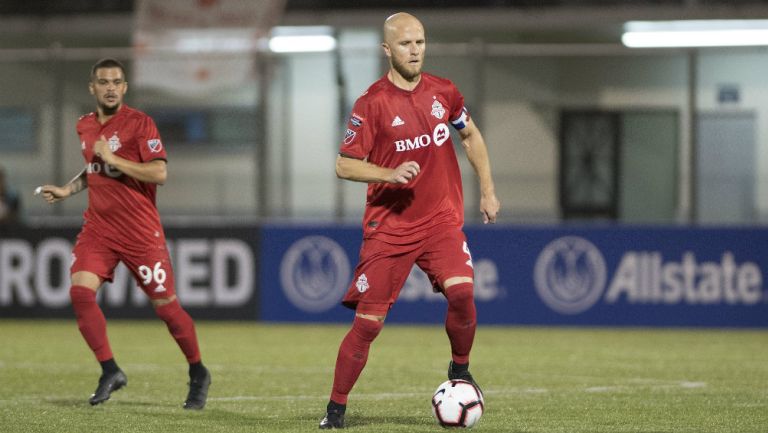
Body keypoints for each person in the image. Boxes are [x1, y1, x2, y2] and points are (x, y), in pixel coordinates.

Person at [319, 12, 501, 429]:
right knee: (368, 325)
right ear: (387, 49)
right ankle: (336, 409)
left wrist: (488, 190)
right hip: (391, 226)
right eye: (405, 44)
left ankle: (460, 369)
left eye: (420, 42)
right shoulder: (371, 103)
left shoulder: (444, 92)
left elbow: (469, 135)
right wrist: (388, 174)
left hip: (440, 221)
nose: (415, 50)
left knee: (462, 294)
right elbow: (345, 166)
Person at [36, 58, 211, 409]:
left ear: (125, 87)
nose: (110, 87)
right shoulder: (84, 125)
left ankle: (197, 371)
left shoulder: (140, 123)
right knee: (80, 293)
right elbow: (93, 168)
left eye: (117, 81)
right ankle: (110, 370)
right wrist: (68, 190)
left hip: (140, 233)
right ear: (93, 88)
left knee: (167, 308)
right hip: (99, 229)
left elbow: (159, 173)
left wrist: (115, 160)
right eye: (103, 82)